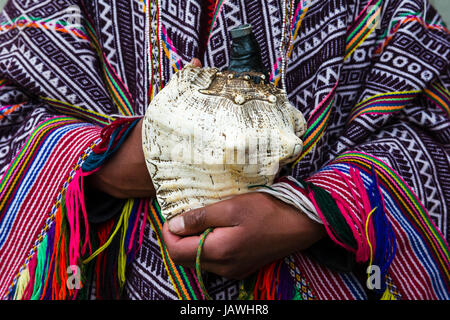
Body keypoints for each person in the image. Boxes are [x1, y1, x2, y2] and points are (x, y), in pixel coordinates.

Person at [0, 0, 448, 300]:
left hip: (312, 280)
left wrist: (308, 214)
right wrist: (113, 160)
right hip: (112, 279)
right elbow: (10, 104)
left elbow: (432, 123)